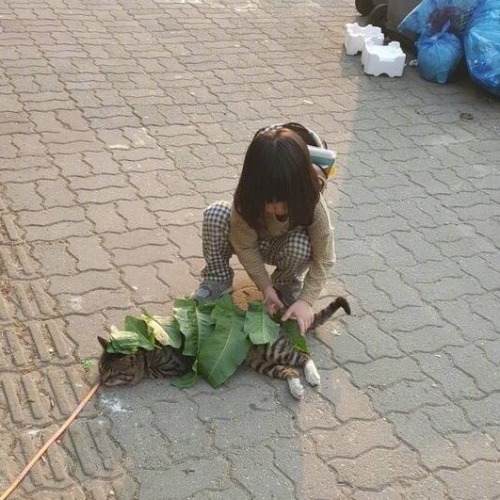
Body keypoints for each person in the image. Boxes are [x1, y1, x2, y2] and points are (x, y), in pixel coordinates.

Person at [192, 123, 336, 334]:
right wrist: (264, 287)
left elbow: (325, 257)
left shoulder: (312, 201)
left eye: (284, 202)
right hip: (255, 242)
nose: (276, 208)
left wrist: (306, 301)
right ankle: (217, 279)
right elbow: (245, 246)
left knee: (301, 244)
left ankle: (286, 285)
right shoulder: (245, 200)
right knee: (215, 214)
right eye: (270, 201)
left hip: (286, 246)